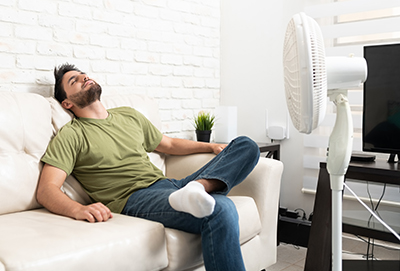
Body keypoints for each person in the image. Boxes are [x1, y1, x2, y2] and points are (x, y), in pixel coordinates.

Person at [37, 63, 260, 271]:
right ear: (67, 103)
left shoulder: (129, 115)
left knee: (246, 145)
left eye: (84, 74)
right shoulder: (72, 134)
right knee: (220, 208)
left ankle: (197, 188)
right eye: (74, 80)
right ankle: (195, 191)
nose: (84, 77)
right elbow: (47, 189)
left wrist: (211, 147)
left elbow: (169, 144)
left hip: (172, 186)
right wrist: (78, 209)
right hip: (134, 199)